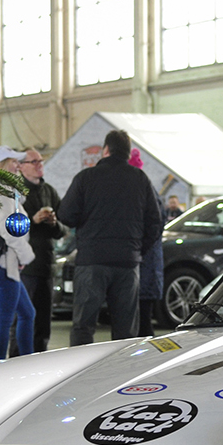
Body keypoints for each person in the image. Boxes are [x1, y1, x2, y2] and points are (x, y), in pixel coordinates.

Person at [58, 129, 162, 343]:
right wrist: (137, 249)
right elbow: (155, 221)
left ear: (105, 150)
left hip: (92, 261)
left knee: (83, 326)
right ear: (127, 153)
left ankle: (80, 372)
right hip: (127, 263)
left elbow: (66, 215)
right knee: (126, 331)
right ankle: (123, 374)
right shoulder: (140, 179)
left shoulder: (85, 178)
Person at [0, 146, 36, 360]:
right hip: (4, 264)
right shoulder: (2, 192)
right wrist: (25, 256)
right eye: (14, 161)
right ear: (1, 165)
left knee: (27, 314)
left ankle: (25, 360)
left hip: (0, 264)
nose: (18, 166)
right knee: (5, 321)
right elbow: (8, 229)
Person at [17, 147, 65, 351]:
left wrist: (54, 223)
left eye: (41, 161)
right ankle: (16, 361)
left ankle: (39, 360)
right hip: (26, 267)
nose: (39, 165)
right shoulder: (16, 192)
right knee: (23, 319)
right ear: (20, 167)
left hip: (47, 265)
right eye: (34, 161)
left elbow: (63, 229)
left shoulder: (50, 191)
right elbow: (11, 228)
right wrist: (32, 220)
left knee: (43, 323)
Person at [131, 149, 165, 336]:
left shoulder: (144, 190)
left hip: (145, 268)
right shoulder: (148, 189)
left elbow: (155, 225)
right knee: (141, 320)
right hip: (146, 267)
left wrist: (138, 250)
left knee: (142, 322)